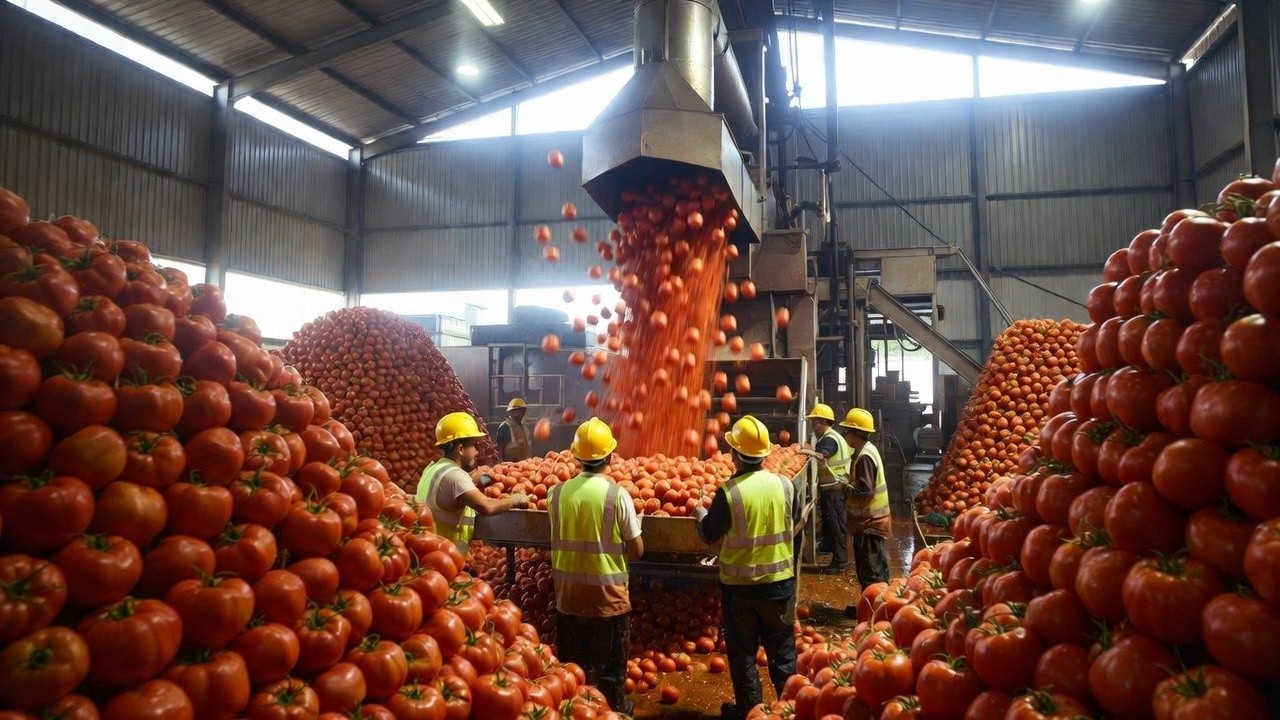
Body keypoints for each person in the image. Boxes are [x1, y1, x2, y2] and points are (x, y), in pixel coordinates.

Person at [694, 415, 799, 720]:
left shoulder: (729, 493)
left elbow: (709, 535)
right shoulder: (785, 485)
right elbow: (788, 520)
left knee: (743, 655)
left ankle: (750, 711)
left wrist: (700, 515)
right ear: (765, 454)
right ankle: (790, 709)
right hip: (779, 584)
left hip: (740, 591)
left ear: (736, 456)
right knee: (782, 652)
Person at [548, 418, 644, 715]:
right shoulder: (617, 496)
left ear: (576, 458)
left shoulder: (556, 494)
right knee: (611, 672)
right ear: (610, 457)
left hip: (568, 598)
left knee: (573, 670)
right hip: (607, 599)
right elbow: (637, 551)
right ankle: (613, 711)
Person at [416, 411, 530, 557]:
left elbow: (454, 491)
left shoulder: (433, 469)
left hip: (431, 552)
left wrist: (486, 479)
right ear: (461, 450)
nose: (476, 452)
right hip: (446, 556)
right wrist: (516, 500)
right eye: (474, 446)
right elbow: (485, 506)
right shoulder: (455, 476)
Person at [837, 407, 892, 605]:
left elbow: (865, 491)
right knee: (871, 567)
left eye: (847, 431)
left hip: (870, 523)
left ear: (855, 433)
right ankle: (868, 604)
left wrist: (845, 487)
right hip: (869, 523)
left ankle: (874, 609)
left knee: (871, 571)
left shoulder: (865, 457)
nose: (846, 435)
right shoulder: (866, 451)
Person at [798, 403, 852, 575]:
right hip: (834, 487)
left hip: (834, 488)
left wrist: (806, 451)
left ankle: (840, 561)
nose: (813, 426)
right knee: (831, 522)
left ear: (823, 422)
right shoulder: (832, 437)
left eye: (815, 422)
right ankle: (829, 547)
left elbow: (822, 455)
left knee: (835, 524)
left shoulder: (829, 439)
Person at [496, 397, 533, 462]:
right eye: (515, 411)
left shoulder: (525, 428)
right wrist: (500, 462)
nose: (519, 413)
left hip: (525, 464)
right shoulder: (505, 427)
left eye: (521, 410)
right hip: (509, 465)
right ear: (510, 412)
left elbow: (529, 447)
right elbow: (500, 448)